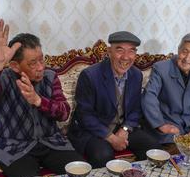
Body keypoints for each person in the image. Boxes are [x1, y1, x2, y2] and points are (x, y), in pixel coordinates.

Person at [0, 19, 84, 177]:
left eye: (41, 59)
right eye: (33, 63)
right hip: (14, 148)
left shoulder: (50, 77)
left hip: (52, 143)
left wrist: (38, 100)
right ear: (15, 66)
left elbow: (64, 113)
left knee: (80, 173)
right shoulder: (2, 78)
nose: (40, 67)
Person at [68, 31, 160, 168]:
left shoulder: (136, 75)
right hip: (94, 131)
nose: (126, 57)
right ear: (109, 51)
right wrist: (111, 138)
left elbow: (135, 110)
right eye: (119, 50)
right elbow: (84, 114)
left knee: (152, 148)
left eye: (131, 51)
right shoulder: (90, 75)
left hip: (121, 126)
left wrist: (124, 129)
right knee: (102, 155)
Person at [141, 32, 190, 146]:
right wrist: (161, 125)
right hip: (167, 128)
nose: (187, 58)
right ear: (179, 49)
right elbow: (149, 97)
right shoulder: (161, 68)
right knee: (179, 153)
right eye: (184, 52)